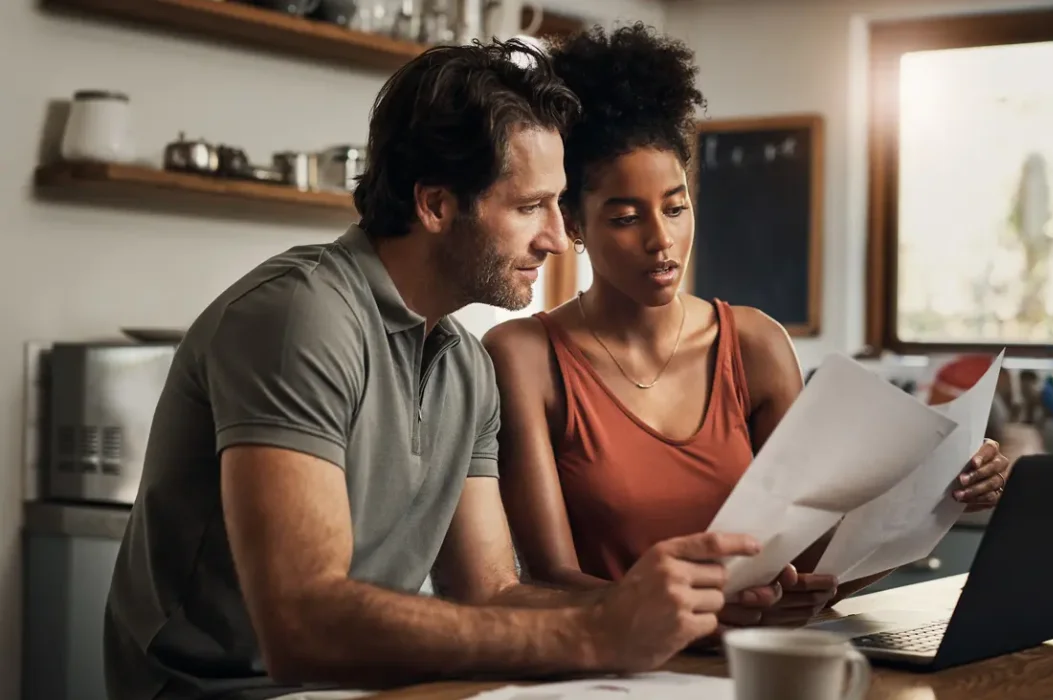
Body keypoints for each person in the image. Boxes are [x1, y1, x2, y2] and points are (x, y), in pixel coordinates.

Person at [103, 39, 777, 700]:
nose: (552, 235)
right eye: (527, 206)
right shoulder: (300, 317)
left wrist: (671, 612)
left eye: (556, 203)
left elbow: (492, 593)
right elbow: (301, 624)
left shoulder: (465, 367)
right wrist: (596, 635)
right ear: (434, 204)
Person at [482, 24, 1012, 630]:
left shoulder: (755, 345)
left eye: (676, 208)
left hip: (753, 666)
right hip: (610, 673)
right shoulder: (524, 356)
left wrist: (943, 495)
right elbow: (550, 580)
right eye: (626, 217)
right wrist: (706, 614)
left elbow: (814, 562)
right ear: (572, 222)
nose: (662, 240)